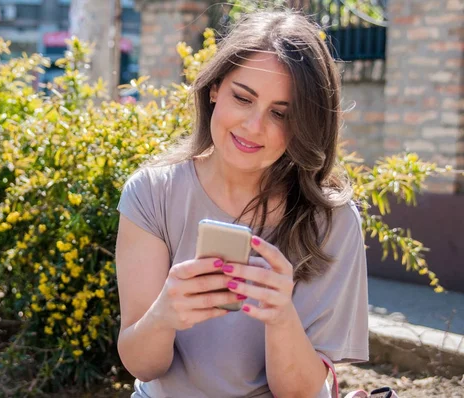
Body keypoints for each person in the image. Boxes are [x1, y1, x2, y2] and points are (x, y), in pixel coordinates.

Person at [115, 9, 369, 398]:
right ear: (215, 88)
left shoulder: (332, 221)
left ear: (305, 123)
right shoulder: (152, 193)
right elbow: (142, 364)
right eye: (242, 97)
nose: (253, 126)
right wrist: (164, 314)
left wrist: (280, 315)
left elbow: (300, 393)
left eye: (280, 113)